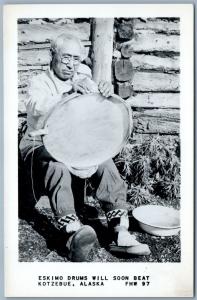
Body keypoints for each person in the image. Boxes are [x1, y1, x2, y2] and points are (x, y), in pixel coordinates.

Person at [19, 33, 150, 261]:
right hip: (38, 144)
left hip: (73, 142)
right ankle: (72, 233)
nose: (71, 64)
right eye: (66, 57)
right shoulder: (39, 82)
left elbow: (94, 109)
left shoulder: (83, 76)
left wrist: (104, 92)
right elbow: (36, 106)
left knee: (103, 160)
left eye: (76, 59)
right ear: (52, 55)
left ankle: (120, 231)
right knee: (57, 165)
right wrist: (67, 92)